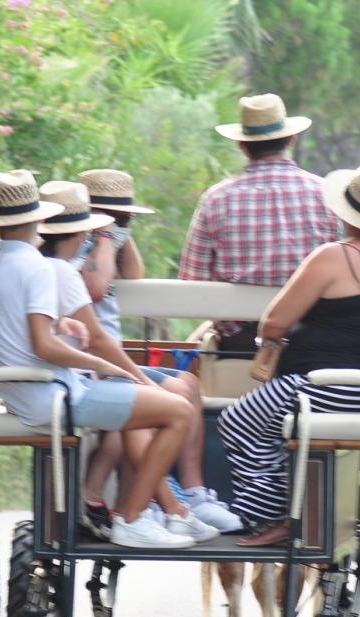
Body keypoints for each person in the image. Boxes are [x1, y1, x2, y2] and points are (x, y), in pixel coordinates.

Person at [0, 170, 218, 549]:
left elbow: (28, 326)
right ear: (36, 218)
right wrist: (104, 366)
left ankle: (164, 510)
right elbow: (42, 345)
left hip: (21, 391)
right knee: (179, 412)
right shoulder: (40, 268)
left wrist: (65, 324)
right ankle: (134, 517)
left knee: (161, 400)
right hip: (54, 396)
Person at [218, 159, 360, 546]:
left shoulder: (331, 256)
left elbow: (273, 324)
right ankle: (287, 508)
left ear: (346, 212)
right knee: (268, 421)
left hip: (319, 390)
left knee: (236, 421)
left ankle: (272, 512)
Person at [71, 169, 242, 534]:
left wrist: (120, 235)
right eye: (117, 216)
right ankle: (160, 504)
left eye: (125, 216)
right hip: (95, 363)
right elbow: (97, 289)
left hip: (107, 360)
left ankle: (192, 493)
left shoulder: (99, 245)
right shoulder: (79, 248)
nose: (121, 222)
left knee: (187, 384)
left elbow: (133, 273)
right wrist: (103, 235)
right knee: (161, 399)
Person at [178, 93, 340, 356]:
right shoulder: (327, 194)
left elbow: (193, 282)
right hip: (314, 341)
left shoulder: (216, 199)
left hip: (241, 345)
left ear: (241, 145)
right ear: (291, 138)